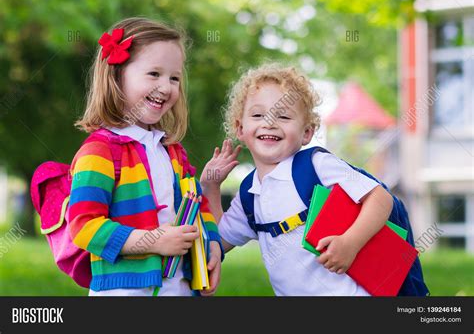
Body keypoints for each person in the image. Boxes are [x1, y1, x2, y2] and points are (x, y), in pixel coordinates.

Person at [200, 63, 394, 296]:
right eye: (258, 115)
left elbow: (380, 198)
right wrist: (211, 187)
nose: (269, 122)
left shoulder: (316, 165)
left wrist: (350, 243)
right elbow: (217, 242)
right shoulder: (249, 196)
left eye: (283, 116)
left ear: (307, 133)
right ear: (240, 128)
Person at [69, 17, 223, 296]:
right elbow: (84, 226)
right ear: (117, 76)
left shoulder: (172, 151)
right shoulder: (100, 152)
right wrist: (152, 241)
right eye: (154, 74)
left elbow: (198, 205)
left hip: (179, 288)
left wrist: (212, 244)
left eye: (174, 78)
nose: (166, 87)